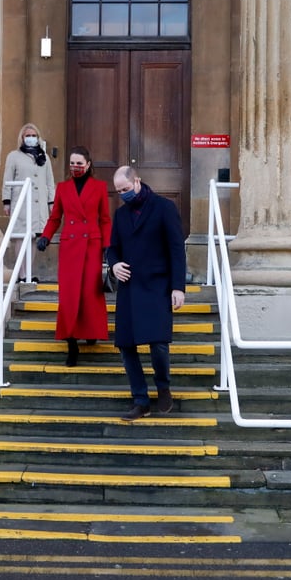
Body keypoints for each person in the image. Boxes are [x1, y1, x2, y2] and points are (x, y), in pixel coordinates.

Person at [106, 166, 186, 422]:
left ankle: (163, 387)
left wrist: (178, 287)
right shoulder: (120, 215)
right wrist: (114, 264)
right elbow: (113, 248)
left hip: (158, 285)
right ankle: (140, 400)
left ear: (137, 181)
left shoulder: (164, 207)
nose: (123, 195)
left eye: (126, 189)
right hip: (129, 288)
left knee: (159, 343)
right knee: (126, 346)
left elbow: (176, 249)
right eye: (119, 192)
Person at [35, 147, 111, 367]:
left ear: (88, 164)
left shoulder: (99, 187)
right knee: (69, 296)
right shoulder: (63, 188)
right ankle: (71, 343)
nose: (75, 167)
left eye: (79, 163)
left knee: (90, 293)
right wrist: (46, 237)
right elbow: (55, 217)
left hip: (92, 246)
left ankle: (92, 331)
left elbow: (105, 219)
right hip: (70, 247)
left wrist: (107, 245)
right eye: (72, 163)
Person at [2, 123, 56, 282]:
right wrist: (6, 201)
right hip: (21, 202)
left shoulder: (43, 157)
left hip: (38, 204)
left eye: (34, 135)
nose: (31, 138)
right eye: (28, 135)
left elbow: (49, 181)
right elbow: (7, 179)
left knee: (33, 237)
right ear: (22, 138)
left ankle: (29, 272)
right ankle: (22, 273)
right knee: (20, 237)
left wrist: (51, 202)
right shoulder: (14, 156)